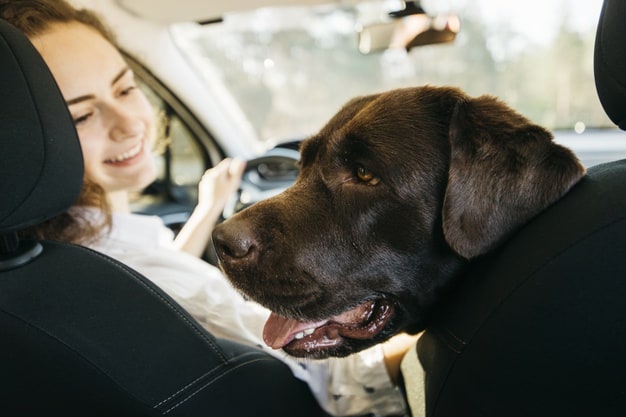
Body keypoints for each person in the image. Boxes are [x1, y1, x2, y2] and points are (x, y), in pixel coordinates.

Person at [1, 1, 417, 415]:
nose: (128, 123)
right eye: (82, 116)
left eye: (126, 88)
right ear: (20, 139)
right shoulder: (115, 273)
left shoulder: (61, 266)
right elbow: (341, 382)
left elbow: (162, 281)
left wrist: (208, 210)